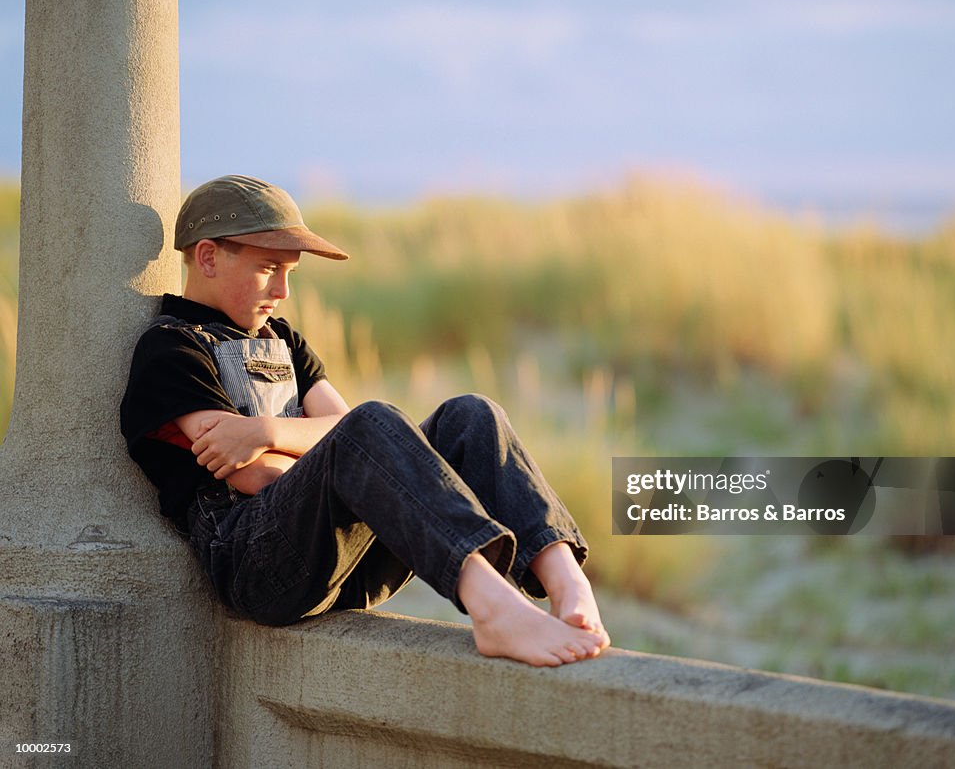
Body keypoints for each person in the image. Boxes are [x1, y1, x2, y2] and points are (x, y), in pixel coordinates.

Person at [120, 174, 610, 667]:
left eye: (290, 271)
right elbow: (255, 474)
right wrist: (345, 463)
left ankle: (566, 582)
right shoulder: (172, 349)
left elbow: (344, 430)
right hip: (258, 564)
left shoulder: (283, 340)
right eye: (269, 268)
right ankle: (492, 607)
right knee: (372, 427)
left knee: (471, 416)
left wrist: (268, 432)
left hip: (345, 556)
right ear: (207, 257)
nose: (284, 290)